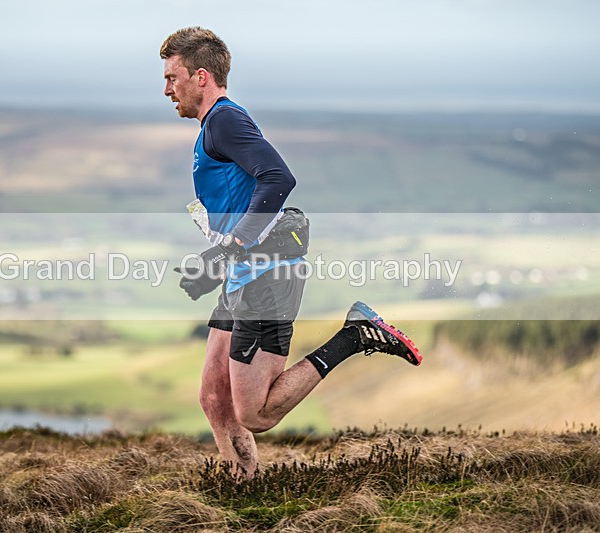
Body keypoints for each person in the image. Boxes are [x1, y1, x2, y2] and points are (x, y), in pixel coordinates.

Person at [160, 27, 422, 477]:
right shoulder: (216, 125)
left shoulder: (224, 120)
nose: (167, 89)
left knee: (255, 414)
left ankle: (356, 334)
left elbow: (279, 178)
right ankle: (243, 489)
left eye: (173, 77)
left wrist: (230, 250)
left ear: (201, 76)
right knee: (213, 397)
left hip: (266, 276)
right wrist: (221, 256)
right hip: (243, 272)